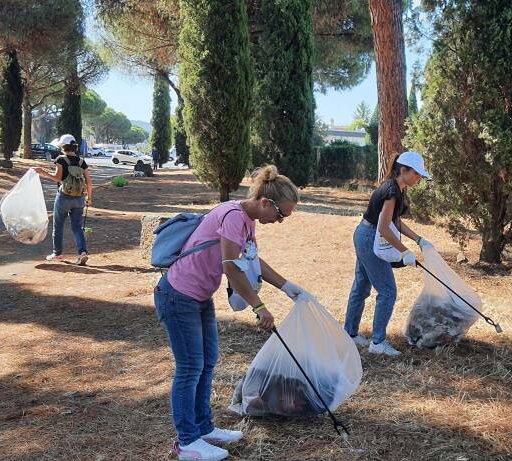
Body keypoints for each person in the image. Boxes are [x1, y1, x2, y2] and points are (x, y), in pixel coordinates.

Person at [154, 165, 313, 461]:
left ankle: (203, 428)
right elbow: (230, 266)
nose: (280, 221)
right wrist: (259, 306)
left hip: (199, 296)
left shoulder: (247, 219)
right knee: (190, 367)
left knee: (207, 362)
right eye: (281, 215)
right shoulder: (233, 217)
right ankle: (187, 441)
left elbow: (253, 261)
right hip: (178, 296)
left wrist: (287, 287)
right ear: (266, 203)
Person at [344, 151, 432, 357]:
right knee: (388, 291)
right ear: (404, 171)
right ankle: (378, 342)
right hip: (369, 238)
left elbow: (395, 221)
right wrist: (404, 252)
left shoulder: (397, 189)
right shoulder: (392, 190)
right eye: (417, 174)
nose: (419, 178)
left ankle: (350, 334)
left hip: (365, 234)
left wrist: (418, 240)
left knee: (361, 286)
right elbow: (384, 228)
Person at [34, 134, 91, 266]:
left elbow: (58, 178)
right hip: (79, 199)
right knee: (77, 227)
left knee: (58, 226)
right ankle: (82, 252)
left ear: (63, 147)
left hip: (64, 198)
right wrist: (89, 197)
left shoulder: (61, 159)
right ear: (74, 147)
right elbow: (88, 180)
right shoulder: (82, 162)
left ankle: (57, 253)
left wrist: (43, 172)